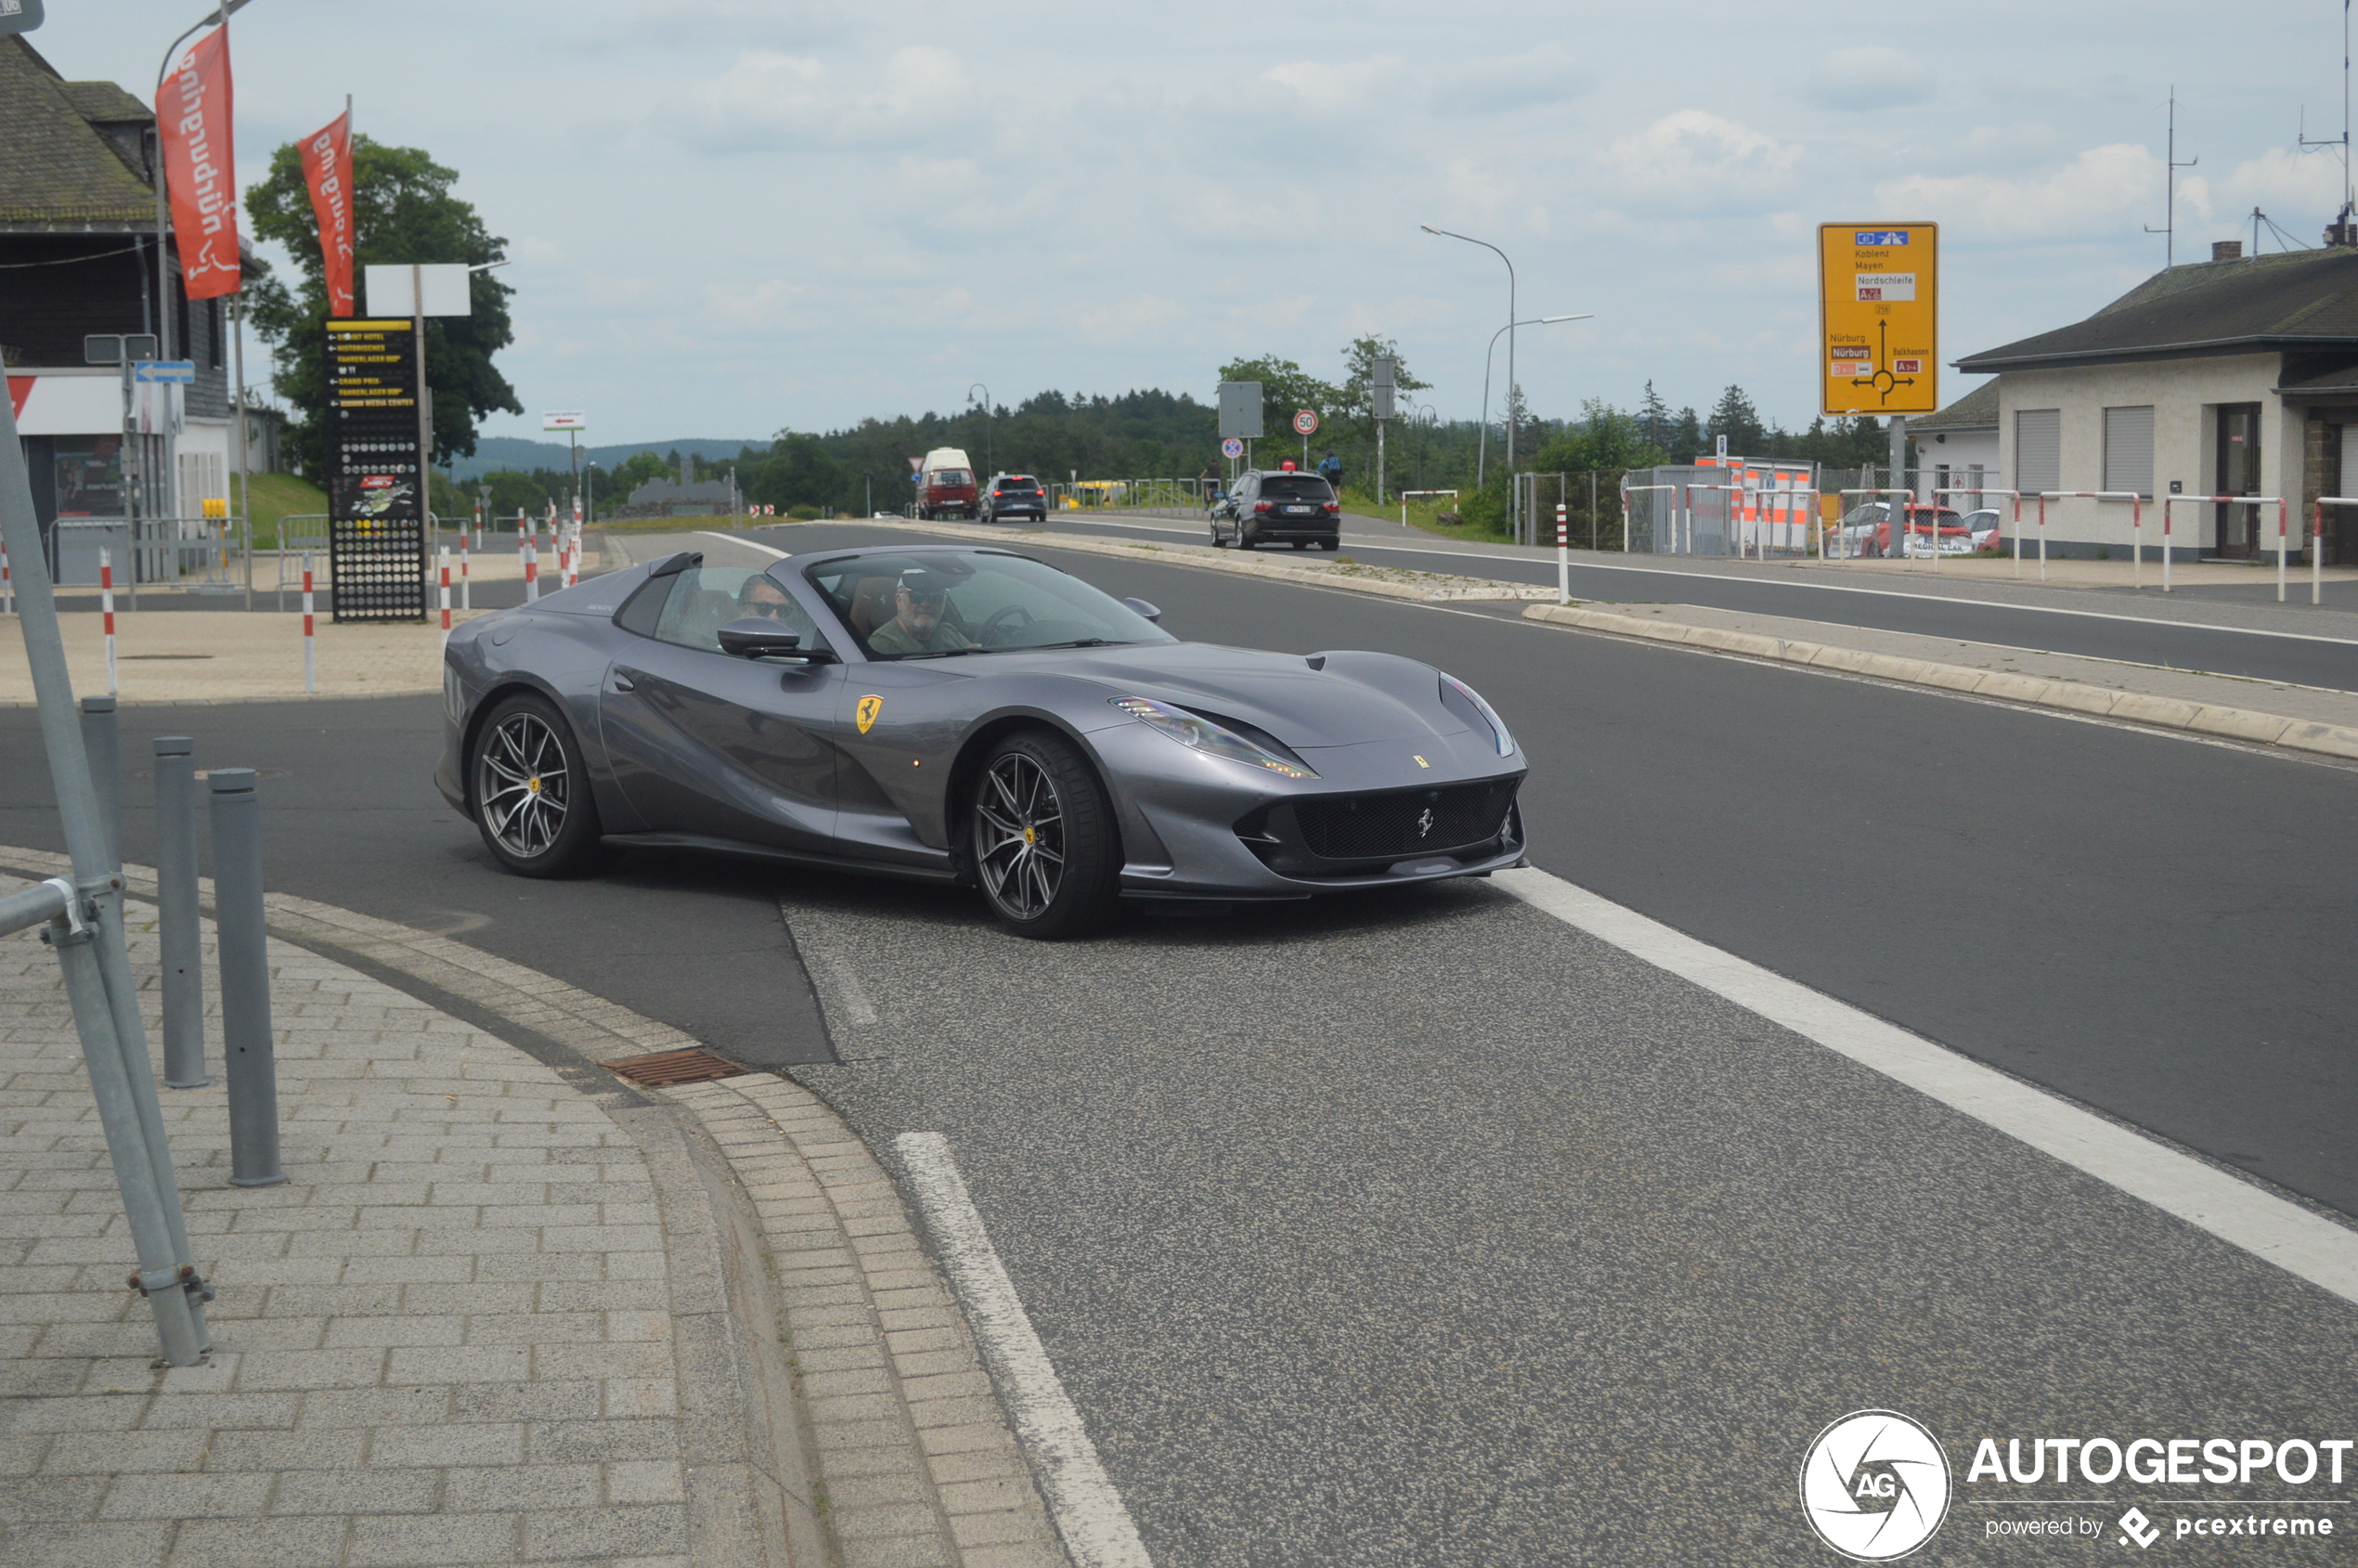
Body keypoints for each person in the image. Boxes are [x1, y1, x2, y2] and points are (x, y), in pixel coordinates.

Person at [865, 567, 976, 657]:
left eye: (936, 597)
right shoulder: (882, 645)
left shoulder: (948, 632)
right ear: (899, 600)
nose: (925, 604)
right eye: (917, 596)